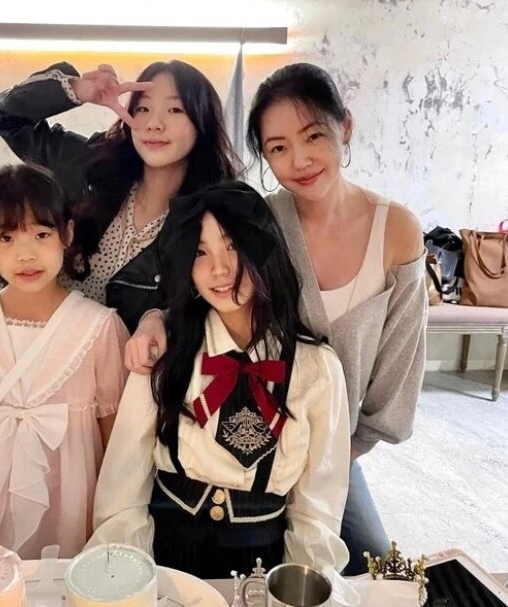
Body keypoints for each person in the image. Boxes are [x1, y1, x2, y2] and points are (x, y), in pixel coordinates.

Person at [126, 63, 427, 576]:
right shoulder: (261, 222)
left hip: (336, 444)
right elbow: (206, 287)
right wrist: (155, 316)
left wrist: (324, 458)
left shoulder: (396, 229)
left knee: (365, 569)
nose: (299, 160)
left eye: (314, 137)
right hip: (238, 433)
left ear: (344, 127)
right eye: (278, 148)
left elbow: (400, 361)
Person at [89, 181, 350, 579]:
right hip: (168, 554)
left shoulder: (316, 369)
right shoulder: (165, 353)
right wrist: (125, 579)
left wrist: (301, 585)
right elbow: (123, 487)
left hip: (264, 562)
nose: (220, 269)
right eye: (200, 252)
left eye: (232, 245)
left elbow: (317, 509)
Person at [0, 164, 129, 565]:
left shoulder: (99, 330)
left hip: (70, 522)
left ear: (67, 234)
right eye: (7, 237)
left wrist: (113, 544)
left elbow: (118, 452)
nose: (26, 254)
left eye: (41, 234)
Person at [0, 60, 239, 332]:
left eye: (175, 109)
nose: (154, 124)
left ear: (202, 122)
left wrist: (159, 318)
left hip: (118, 357)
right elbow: (5, 116)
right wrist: (79, 90)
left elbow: (213, 308)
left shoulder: (211, 218)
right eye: (143, 109)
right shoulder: (90, 168)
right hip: (19, 337)